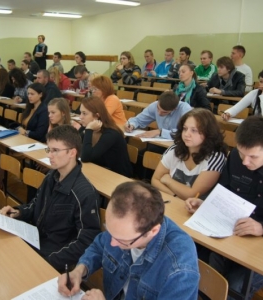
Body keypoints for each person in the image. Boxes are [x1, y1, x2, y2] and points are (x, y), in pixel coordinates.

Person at [58, 181, 199, 300]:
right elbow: (99, 246)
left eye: (122, 240)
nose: (112, 243)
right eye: (109, 230)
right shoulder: (123, 229)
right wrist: (79, 271)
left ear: (153, 231)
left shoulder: (180, 269)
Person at [0, 125, 101, 273]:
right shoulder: (51, 177)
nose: (49, 155)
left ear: (72, 152)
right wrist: (18, 212)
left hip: (53, 255)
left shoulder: (85, 193)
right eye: (49, 149)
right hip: (36, 240)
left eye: (55, 150)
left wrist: (49, 261)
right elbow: (36, 205)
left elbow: (85, 240)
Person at [185, 116, 263, 299]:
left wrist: (261, 227)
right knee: (202, 267)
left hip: (257, 249)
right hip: (232, 233)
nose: (244, 162)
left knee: (234, 286)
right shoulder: (236, 156)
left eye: (253, 156)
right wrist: (206, 203)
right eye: (242, 154)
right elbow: (224, 189)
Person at [152, 108, 226, 199]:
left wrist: (168, 180)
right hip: (173, 203)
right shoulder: (174, 149)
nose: (187, 134)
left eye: (193, 130)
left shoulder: (215, 157)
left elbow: (192, 195)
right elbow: (155, 180)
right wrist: (175, 196)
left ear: (208, 132)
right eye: (185, 129)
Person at [80, 96, 133, 177]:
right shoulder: (86, 127)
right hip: (99, 170)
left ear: (97, 116)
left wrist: (88, 131)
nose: (80, 117)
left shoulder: (111, 134)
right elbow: (73, 146)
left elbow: (85, 157)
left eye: (84, 113)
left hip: (118, 176)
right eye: (80, 113)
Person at [125, 91, 191, 139]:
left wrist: (160, 132)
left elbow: (185, 132)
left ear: (175, 108)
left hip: (179, 144)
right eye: (158, 108)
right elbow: (139, 119)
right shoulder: (155, 105)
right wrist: (131, 125)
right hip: (161, 141)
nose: (159, 113)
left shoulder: (185, 109)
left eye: (164, 112)